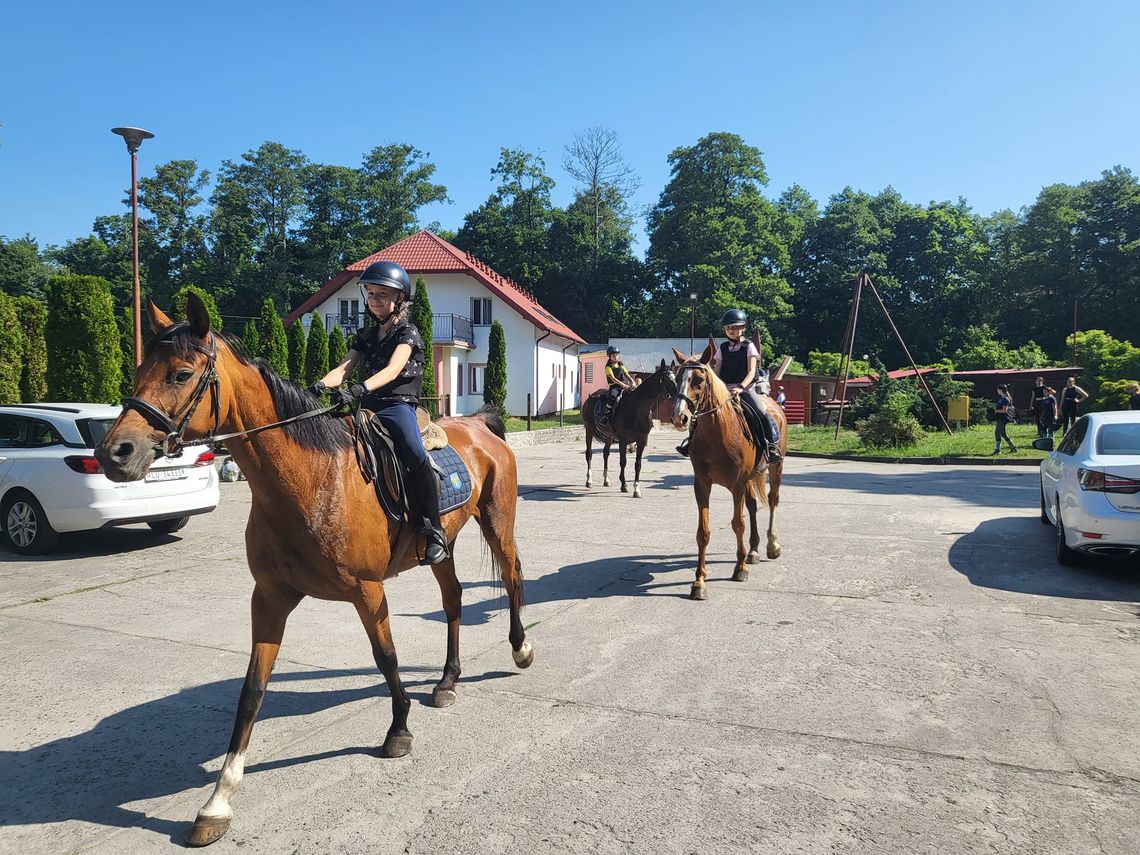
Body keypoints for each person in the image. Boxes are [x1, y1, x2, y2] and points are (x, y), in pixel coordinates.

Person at [311, 260, 448, 565]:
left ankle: (435, 530)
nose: (374, 299)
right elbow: (345, 368)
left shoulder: (408, 333)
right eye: (371, 293)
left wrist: (361, 389)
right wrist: (318, 386)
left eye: (382, 294)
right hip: (368, 406)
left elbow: (393, 369)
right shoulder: (365, 335)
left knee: (414, 453)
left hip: (397, 405)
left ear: (400, 298)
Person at [711, 308, 781, 463]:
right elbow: (716, 372)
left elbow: (751, 371)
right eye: (728, 327)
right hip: (724, 391)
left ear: (743, 328)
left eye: (735, 327)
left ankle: (770, 447)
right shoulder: (722, 348)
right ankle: (691, 443)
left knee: (761, 412)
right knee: (701, 413)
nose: (731, 330)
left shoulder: (749, 347)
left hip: (745, 390)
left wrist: (740, 387)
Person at [603, 345, 635, 416]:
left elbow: (627, 375)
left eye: (617, 355)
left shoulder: (621, 365)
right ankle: (606, 414)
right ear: (610, 357)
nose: (615, 357)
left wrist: (633, 382)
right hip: (614, 387)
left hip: (623, 386)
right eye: (613, 356)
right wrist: (623, 384)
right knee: (612, 398)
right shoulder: (608, 367)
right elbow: (613, 379)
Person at [993, 384, 1017, 454]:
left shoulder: (1005, 399)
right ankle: (1013, 448)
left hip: (1003, 418)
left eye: (998, 389)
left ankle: (998, 450)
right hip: (999, 418)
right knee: (1003, 434)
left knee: (997, 433)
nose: (997, 391)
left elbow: (1004, 410)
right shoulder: (1001, 398)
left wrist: (995, 411)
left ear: (1001, 390)